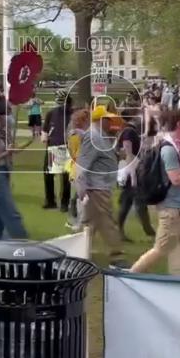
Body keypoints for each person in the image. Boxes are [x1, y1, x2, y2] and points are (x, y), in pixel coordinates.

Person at [131, 110, 180, 275]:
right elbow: (176, 179)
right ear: (179, 124)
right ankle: (132, 274)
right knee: (161, 249)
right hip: (171, 210)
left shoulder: (177, 147)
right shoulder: (169, 150)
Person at [76, 105, 126, 266]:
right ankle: (116, 256)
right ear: (100, 120)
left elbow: (102, 158)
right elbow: (84, 163)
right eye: (107, 119)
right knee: (106, 220)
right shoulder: (93, 137)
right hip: (97, 187)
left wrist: (117, 156)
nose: (110, 122)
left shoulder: (100, 136)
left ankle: (77, 252)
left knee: (89, 223)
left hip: (99, 185)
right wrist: (81, 185)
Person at [0, 106, 29, 242]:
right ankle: (22, 241)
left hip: (5, 173)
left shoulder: (3, 133)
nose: (9, 118)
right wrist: (6, 153)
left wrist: (24, 145)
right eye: (6, 114)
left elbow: (11, 151)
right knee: (11, 213)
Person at [117, 107, 155, 241]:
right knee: (137, 201)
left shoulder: (128, 131)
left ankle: (146, 229)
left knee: (128, 202)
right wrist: (133, 176)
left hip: (131, 171)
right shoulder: (129, 132)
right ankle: (148, 230)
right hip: (131, 172)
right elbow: (129, 154)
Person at [41, 89, 72, 210]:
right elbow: (45, 130)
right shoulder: (51, 113)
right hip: (53, 148)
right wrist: (44, 137)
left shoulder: (72, 114)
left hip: (66, 148)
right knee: (48, 174)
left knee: (66, 177)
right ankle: (50, 201)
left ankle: (64, 203)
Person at [64, 108, 91, 230]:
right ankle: (81, 224)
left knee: (79, 198)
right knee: (82, 198)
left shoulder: (75, 135)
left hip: (77, 169)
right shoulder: (80, 136)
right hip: (81, 169)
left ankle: (81, 223)